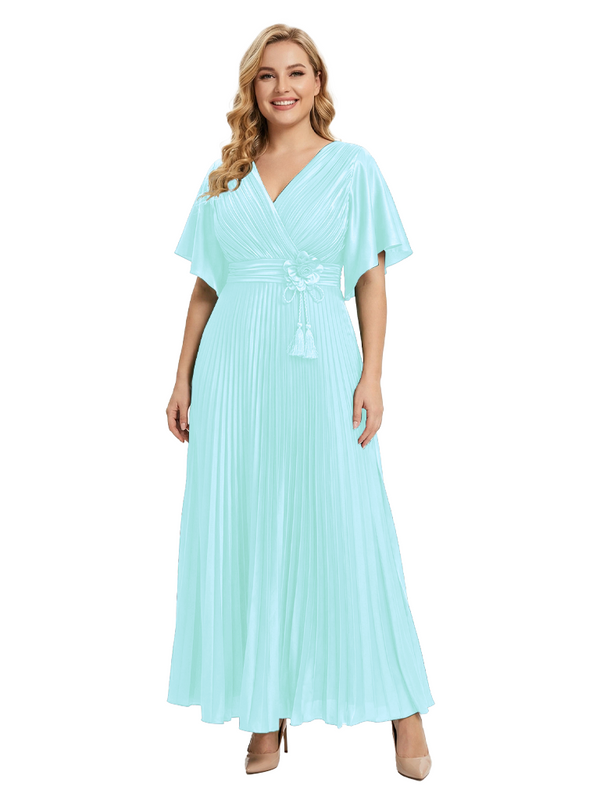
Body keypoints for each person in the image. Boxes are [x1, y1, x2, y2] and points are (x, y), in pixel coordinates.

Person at [165, 24, 435, 779]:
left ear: (318, 82)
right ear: (251, 89)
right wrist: (183, 377)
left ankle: (404, 708)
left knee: (349, 528)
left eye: (296, 72)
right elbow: (205, 287)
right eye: (267, 75)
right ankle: (265, 710)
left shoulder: (353, 167)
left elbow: (371, 280)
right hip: (234, 368)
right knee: (248, 528)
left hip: (320, 366)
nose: (281, 87)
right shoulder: (226, 175)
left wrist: (372, 375)